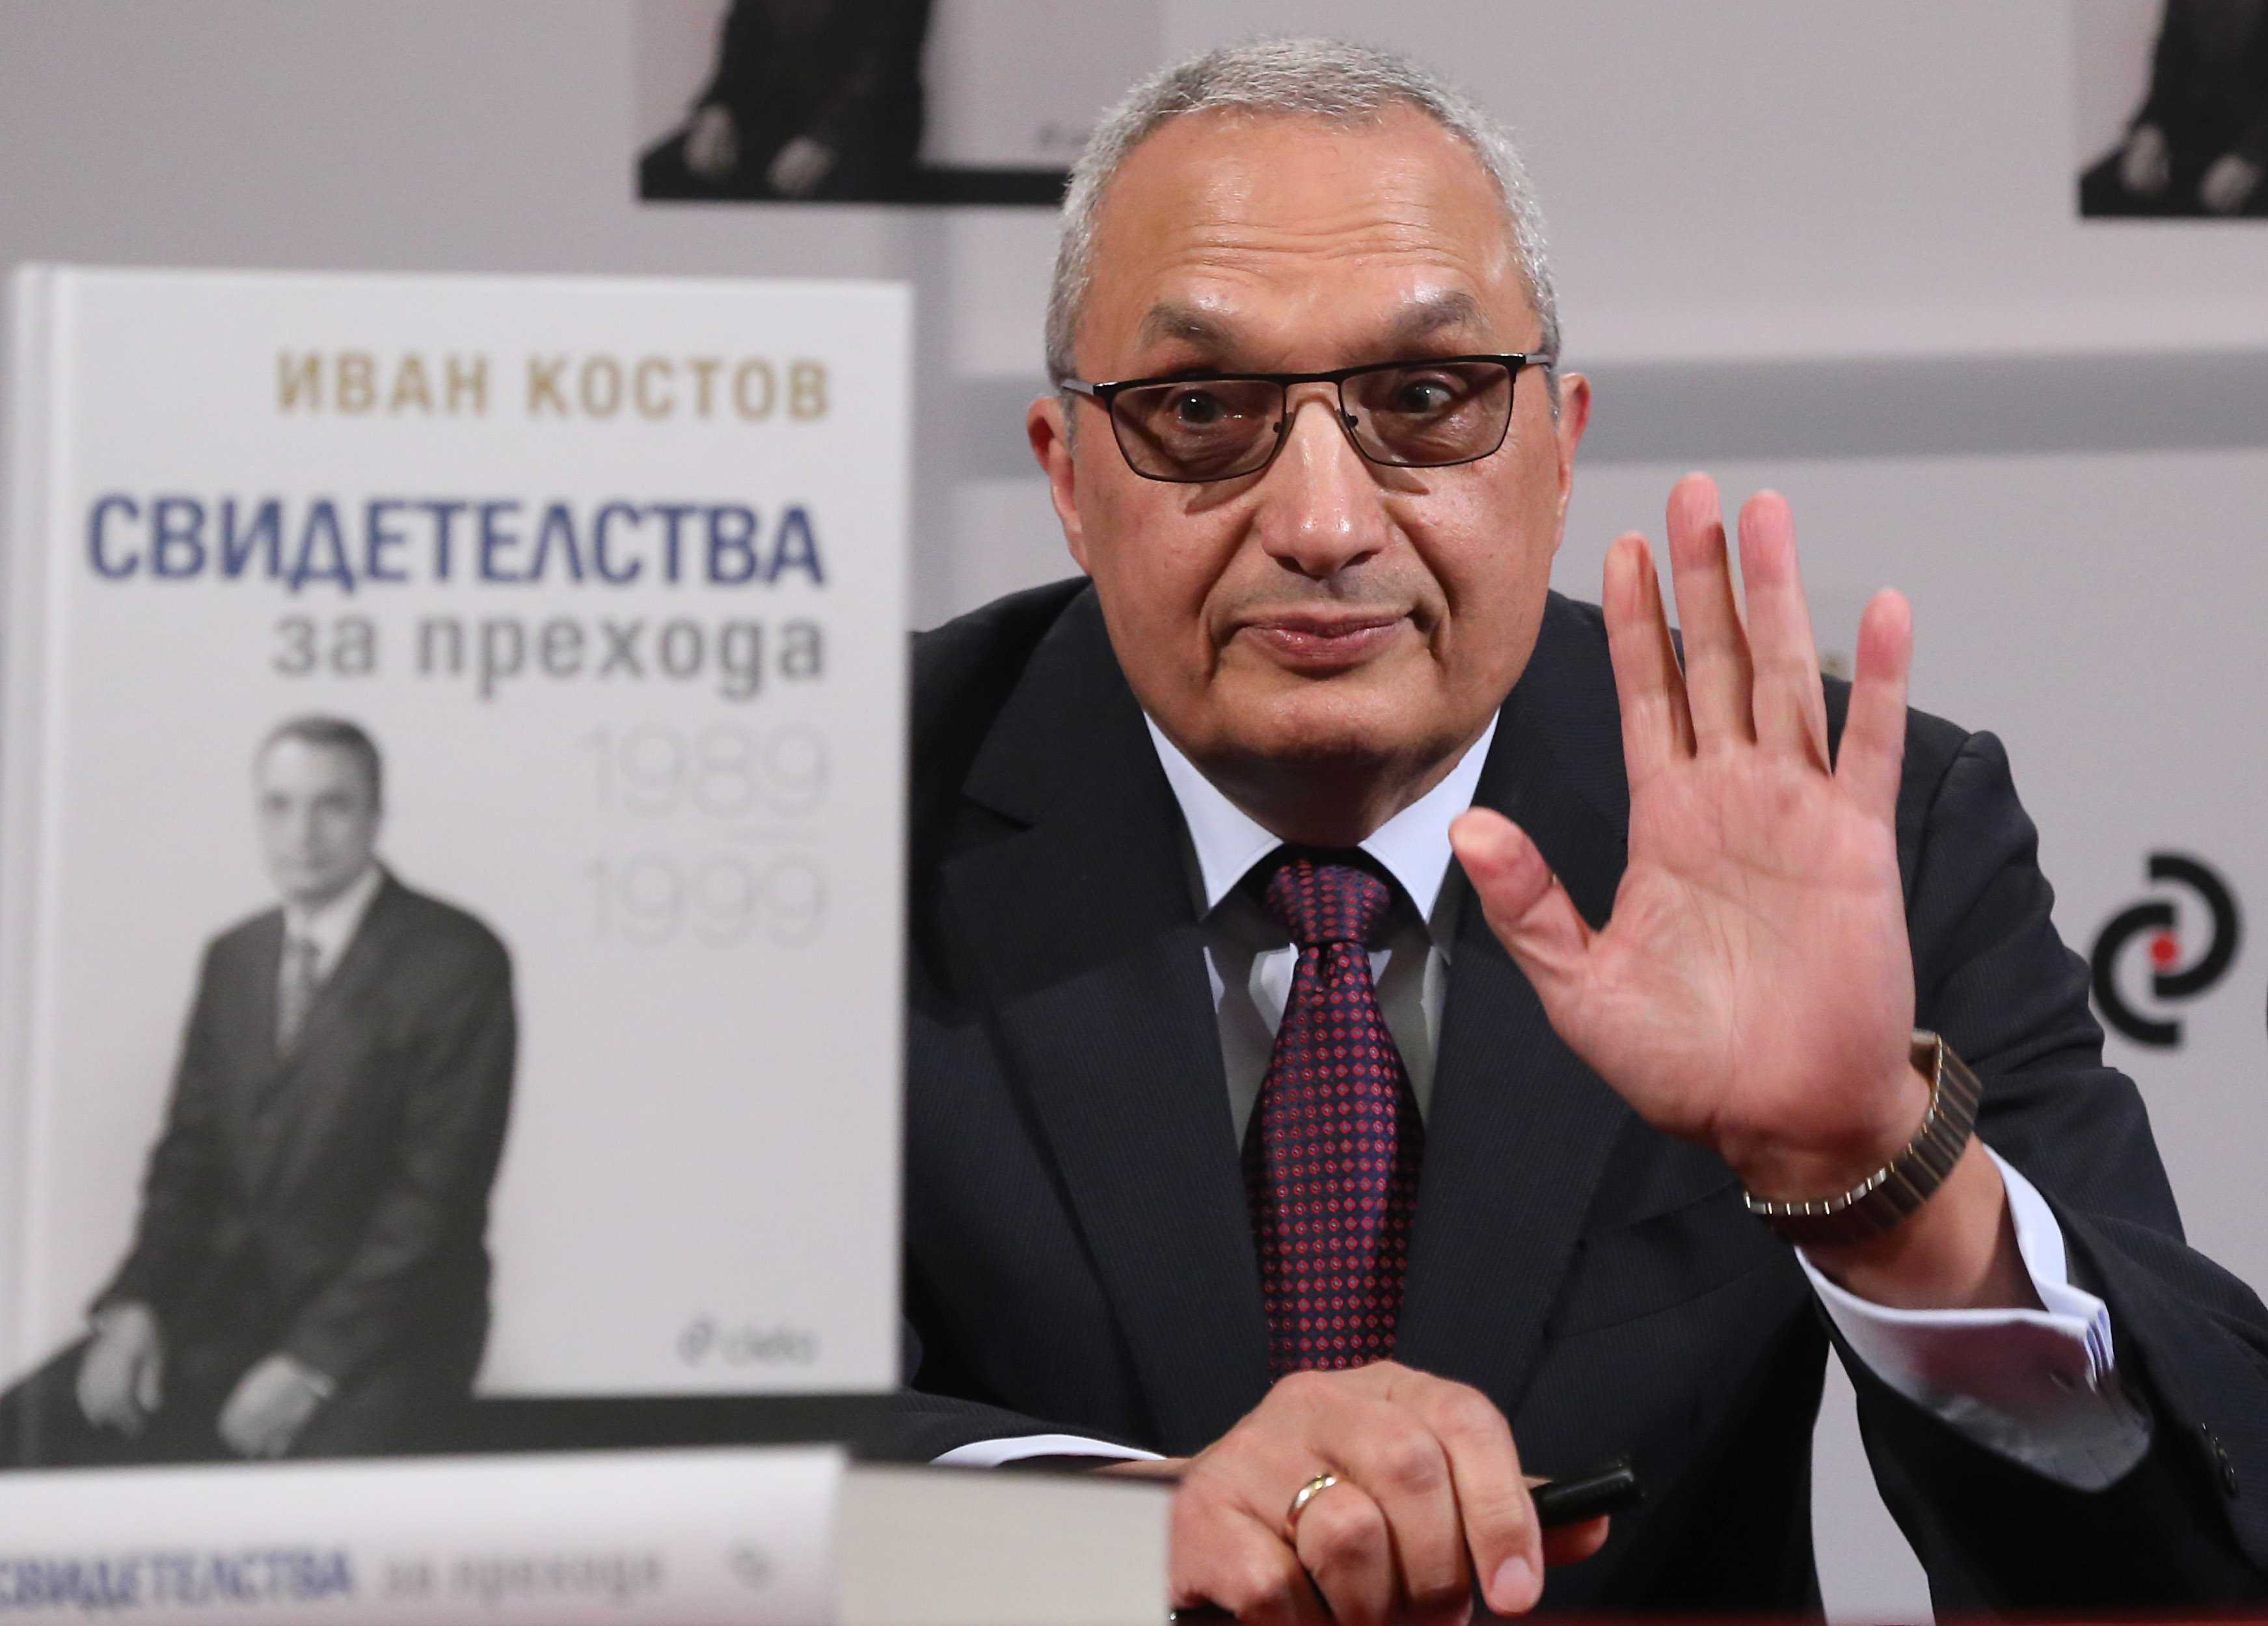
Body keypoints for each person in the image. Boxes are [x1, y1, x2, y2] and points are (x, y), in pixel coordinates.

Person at [893, 37, 2268, 1617]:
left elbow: (2184, 1567)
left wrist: (1881, 1179)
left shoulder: (1840, 827)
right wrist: (1100, 1537)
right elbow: (694, 1473)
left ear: (1558, 449)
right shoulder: (831, 811)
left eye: (1425, 399)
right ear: (1070, 476)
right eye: (1202, 407)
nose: (1324, 522)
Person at [0, 716, 515, 1465]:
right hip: (230, 1314)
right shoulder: (234, 958)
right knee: (22, 1433)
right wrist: (137, 1307)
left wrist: (310, 1365)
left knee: (307, 1513)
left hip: (388, 1334)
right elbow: (188, 1162)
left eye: (332, 806)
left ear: (376, 815)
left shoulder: (456, 960)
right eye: (278, 806)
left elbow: (435, 1202)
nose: (302, 834)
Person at [640, 0, 931, 202]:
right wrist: (717, 110)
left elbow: (882, 67)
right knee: (655, 174)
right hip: (770, 120)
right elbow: (740, 45)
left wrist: (823, 140)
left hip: (863, 129)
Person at [2082, 0, 2268, 217]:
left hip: (2256, 148)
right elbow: (2168, 75)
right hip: (2190, 142)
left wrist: (2252, 157)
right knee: (2089, 194)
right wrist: (2150, 131)